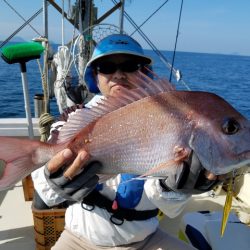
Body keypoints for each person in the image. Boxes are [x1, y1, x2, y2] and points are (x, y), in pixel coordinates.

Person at [32, 34, 219, 250]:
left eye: (130, 66)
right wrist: (54, 180)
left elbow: (164, 203)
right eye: (107, 67)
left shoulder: (170, 119)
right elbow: (44, 190)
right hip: (79, 240)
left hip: (146, 240)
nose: (119, 75)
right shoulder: (73, 118)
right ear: (95, 76)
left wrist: (178, 187)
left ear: (145, 72)